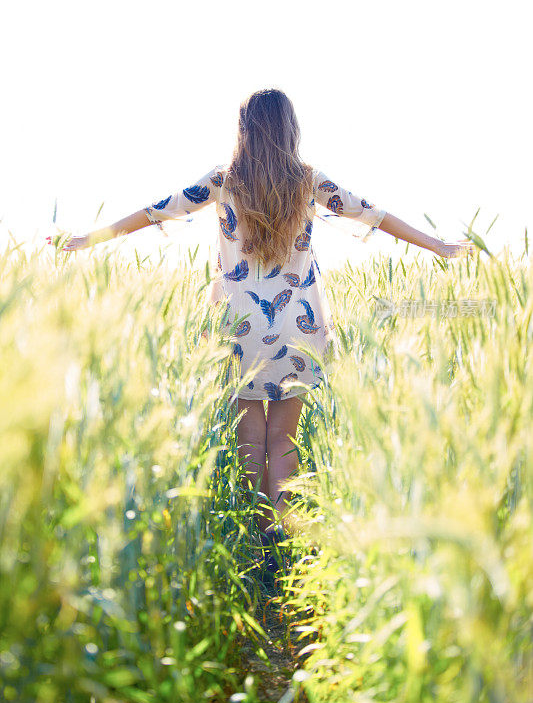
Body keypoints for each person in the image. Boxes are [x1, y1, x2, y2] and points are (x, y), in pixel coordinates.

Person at [60, 87, 475, 561]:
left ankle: (256, 547)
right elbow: (375, 216)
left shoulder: (223, 180)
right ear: (289, 129)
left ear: (245, 130)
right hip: (299, 324)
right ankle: (287, 541)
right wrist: (438, 246)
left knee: (250, 438)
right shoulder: (308, 180)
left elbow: (158, 209)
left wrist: (86, 239)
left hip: (239, 326)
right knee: (283, 437)